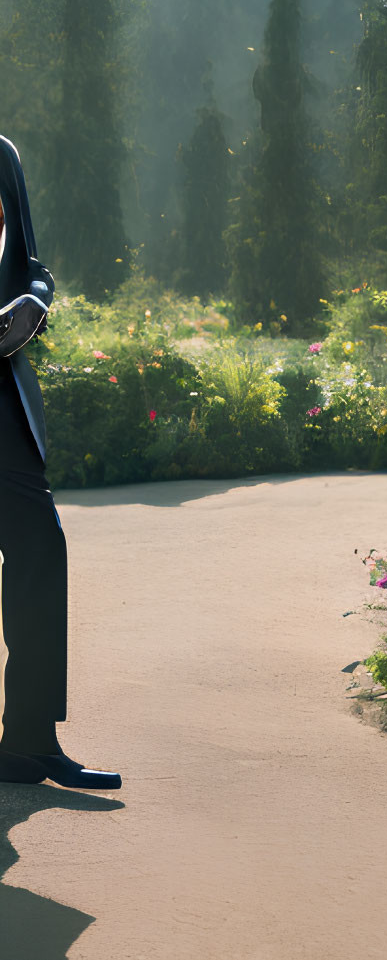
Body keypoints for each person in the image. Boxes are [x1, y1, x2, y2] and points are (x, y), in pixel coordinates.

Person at [0, 134, 120, 789]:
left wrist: (34, 301)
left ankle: (27, 742)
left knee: (41, 554)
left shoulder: (2, 154)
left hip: (5, 419)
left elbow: (30, 262)